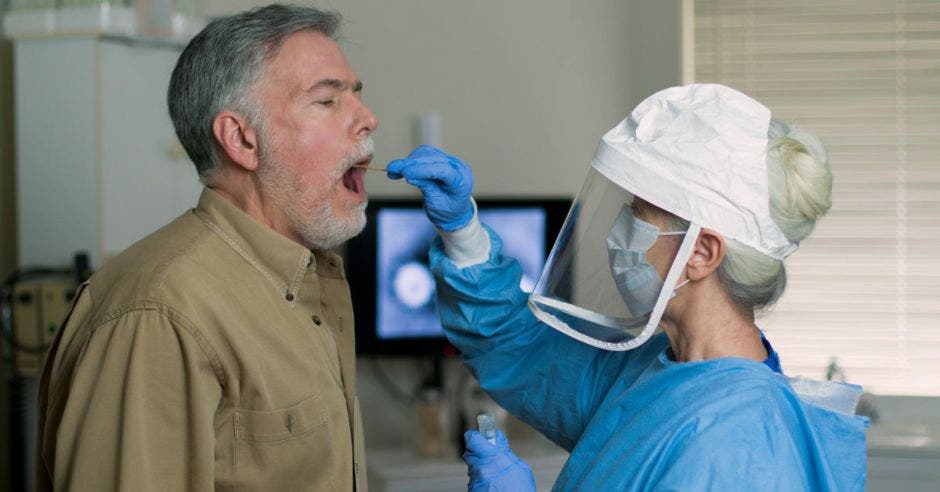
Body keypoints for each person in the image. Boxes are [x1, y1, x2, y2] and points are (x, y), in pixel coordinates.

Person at [387, 84, 867, 490]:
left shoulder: (739, 442)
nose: (618, 230)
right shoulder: (657, 370)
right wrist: (461, 231)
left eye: (638, 216)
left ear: (701, 254)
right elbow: (519, 348)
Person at [35, 4, 377, 490]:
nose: (369, 118)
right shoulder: (158, 312)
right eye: (328, 101)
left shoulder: (309, 281)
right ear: (242, 140)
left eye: (357, 96)